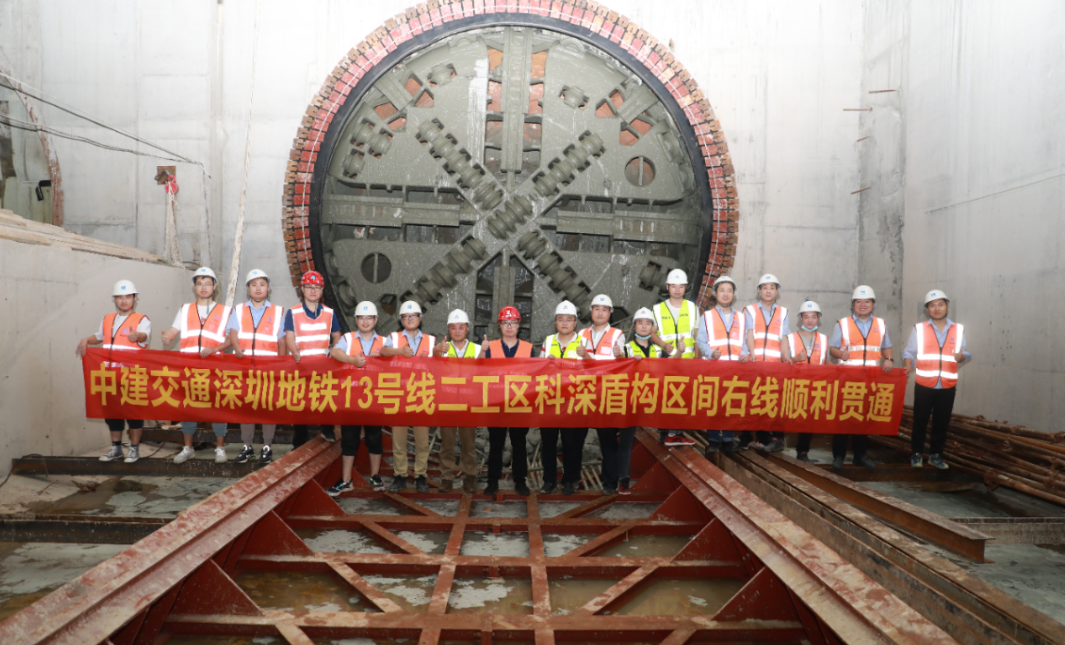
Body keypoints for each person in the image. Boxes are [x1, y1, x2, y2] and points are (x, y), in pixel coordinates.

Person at [160, 267, 232, 464]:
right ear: (194, 287)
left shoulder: (225, 311)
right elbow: (173, 330)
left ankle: (220, 448)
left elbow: (231, 339)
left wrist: (215, 349)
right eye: (199, 283)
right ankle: (188, 448)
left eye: (207, 283)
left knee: (217, 408)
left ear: (214, 286)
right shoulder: (185, 309)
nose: (203, 287)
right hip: (189, 369)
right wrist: (167, 337)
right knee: (188, 408)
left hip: (214, 369)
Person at [76, 280, 151, 463]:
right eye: (119, 297)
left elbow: (144, 337)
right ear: (115, 299)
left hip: (131, 376)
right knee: (112, 413)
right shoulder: (108, 319)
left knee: (133, 414)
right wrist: (86, 339)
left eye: (128, 296)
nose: (124, 300)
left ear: (135, 298)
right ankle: (116, 448)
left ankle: (134, 449)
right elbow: (99, 337)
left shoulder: (142, 320)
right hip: (110, 375)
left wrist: (137, 336)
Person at [903, 290, 971, 470]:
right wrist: (907, 364)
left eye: (940, 304)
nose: (937, 308)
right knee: (920, 421)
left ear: (947, 307)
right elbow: (909, 351)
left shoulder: (958, 329)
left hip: (947, 385)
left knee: (942, 422)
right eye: (932, 305)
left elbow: (964, 352)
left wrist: (962, 357)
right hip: (924, 384)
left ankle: (936, 455)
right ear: (927, 310)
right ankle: (916, 454)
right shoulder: (919, 329)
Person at [829, 285, 894, 469]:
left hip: (870, 381)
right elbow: (832, 349)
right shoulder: (842, 324)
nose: (863, 304)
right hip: (847, 380)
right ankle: (838, 457)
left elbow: (886, 347)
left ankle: (860, 456)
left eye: (867, 301)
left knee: (863, 419)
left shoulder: (880, 324)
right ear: (853, 304)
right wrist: (839, 354)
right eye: (858, 301)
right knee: (843, 419)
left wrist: (889, 359)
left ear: (873, 304)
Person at [224, 269, 285, 465]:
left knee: (267, 408)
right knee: (247, 408)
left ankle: (267, 447)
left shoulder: (278, 311)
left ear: (268, 288)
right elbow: (233, 333)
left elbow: (281, 341)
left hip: (268, 370)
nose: (258, 288)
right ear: (248, 288)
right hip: (244, 368)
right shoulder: (239, 309)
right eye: (254, 284)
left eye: (262, 284)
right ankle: (247, 447)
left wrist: (280, 366)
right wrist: (237, 347)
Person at [328, 300, 388, 494]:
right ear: (356, 320)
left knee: (374, 437)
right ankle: (346, 480)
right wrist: (352, 360)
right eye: (361, 318)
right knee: (349, 438)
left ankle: (375, 476)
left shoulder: (384, 342)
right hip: (351, 398)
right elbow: (334, 352)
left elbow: (396, 362)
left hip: (375, 399)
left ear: (375, 320)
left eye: (369, 318)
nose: (365, 321)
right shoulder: (348, 339)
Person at [381, 300, 436, 493]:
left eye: (414, 316)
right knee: (399, 441)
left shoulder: (430, 341)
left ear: (420, 318)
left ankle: (421, 476)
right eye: (406, 316)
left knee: (422, 441)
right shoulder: (394, 338)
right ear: (401, 319)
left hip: (421, 395)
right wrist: (400, 351)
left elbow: (439, 364)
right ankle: (400, 475)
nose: (410, 319)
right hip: (400, 396)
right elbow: (383, 351)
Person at [284, 270, 342, 447]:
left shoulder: (329, 313)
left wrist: (334, 351)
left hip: (323, 365)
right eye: (309, 287)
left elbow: (337, 336)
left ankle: (328, 430)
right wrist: (294, 351)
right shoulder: (293, 312)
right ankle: (299, 440)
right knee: (301, 403)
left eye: (317, 287)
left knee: (325, 398)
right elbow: (289, 337)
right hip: (301, 365)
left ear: (322, 290)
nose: (313, 291)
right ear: (302, 289)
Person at [483, 306, 536, 496]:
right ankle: (492, 482)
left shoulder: (528, 349)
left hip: (519, 404)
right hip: (497, 403)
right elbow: (479, 370)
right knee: (495, 445)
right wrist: (482, 351)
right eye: (505, 323)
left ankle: (520, 482)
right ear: (500, 326)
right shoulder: (491, 347)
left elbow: (535, 376)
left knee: (519, 445)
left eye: (512, 322)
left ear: (518, 325)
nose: (509, 326)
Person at [577, 295, 627, 496]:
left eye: (604, 309)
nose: (600, 313)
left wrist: (620, 355)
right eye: (596, 309)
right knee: (575, 440)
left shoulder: (617, 335)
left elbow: (622, 364)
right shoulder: (581, 334)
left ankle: (609, 482)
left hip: (606, 394)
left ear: (610, 313)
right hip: (584, 393)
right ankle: (572, 480)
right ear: (591, 311)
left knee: (608, 441)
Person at [539, 301, 590, 495]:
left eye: (569, 320)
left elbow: (593, 370)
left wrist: (586, 356)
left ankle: (570, 480)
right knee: (548, 443)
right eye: (561, 319)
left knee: (571, 443)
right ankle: (549, 481)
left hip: (573, 401)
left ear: (575, 322)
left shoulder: (583, 342)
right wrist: (546, 363)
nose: (565, 323)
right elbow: (538, 370)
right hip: (550, 400)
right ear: (556, 322)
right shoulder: (548, 341)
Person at [696, 275, 747, 454]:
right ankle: (714, 439)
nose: (726, 294)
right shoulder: (707, 316)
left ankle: (728, 439)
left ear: (733, 294)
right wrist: (710, 352)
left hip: (734, 369)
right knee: (715, 404)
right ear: (715, 293)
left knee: (731, 404)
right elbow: (700, 341)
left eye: (729, 291)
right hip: (714, 369)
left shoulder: (741, 317)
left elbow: (745, 341)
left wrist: (745, 353)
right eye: (722, 290)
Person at [432, 309, 481, 493]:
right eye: (454, 327)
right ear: (449, 330)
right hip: (448, 403)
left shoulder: (476, 349)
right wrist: (436, 350)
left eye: (461, 327)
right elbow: (432, 366)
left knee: (469, 445)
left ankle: (470, 477)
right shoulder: (443, 349)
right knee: (447, 445)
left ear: (467, 329)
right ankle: (446, 478)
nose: (458, 331)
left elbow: (486, 372)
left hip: (468, 404)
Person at [614, 307, 663, 494]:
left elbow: (672, 370)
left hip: (652, 401)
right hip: (631, 401)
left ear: (652, 327)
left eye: (647, 323)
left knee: (660, 439)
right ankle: (623, 479)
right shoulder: (627, 348)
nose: (643, 326)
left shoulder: (658, 350)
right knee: (626, 443)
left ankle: (657, 481)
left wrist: (679, 351)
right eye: (640, 323)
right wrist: (623, 358)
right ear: (634, 326)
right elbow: (618, 368)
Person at [742, 274, 791, 452]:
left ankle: (777, 439)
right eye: (765, 287)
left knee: (773, 401)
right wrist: (752, 354)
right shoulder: (750, 310)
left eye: (772, 287)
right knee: (756, 400)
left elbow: (783, 337)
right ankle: (761, 440)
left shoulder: (783, 312)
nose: (768, 291)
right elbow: (748, 334)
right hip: (755, 364)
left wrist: (786, 356)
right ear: (759, 291)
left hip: (774, 365)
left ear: (776, 291)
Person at [651, 268, 699, 447]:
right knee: (668, 397)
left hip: (687, 362)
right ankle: (670, 433)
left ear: (685, 287)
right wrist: (664, 345)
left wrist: (697, 361)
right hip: (667, 361)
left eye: (681, 286)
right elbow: (652, 333)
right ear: (667, 287)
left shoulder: (692, 308)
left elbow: (697, 337)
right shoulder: (658, 309)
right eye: (673, 286)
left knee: (683, 398)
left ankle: (674, 433)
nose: (677, 289)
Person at [783, 300, 828, 463]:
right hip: (794, 386)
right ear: (800, 318)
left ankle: (802, 452)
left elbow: (826, 362)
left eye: (813, 317)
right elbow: (783, 361)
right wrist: (795, 359)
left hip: (815, 386)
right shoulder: (789, 338)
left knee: (809, 420)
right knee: (787, 416)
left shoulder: (824, 339)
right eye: (806, 317)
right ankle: (776, 441)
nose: (810, 320)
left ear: (818, 319)